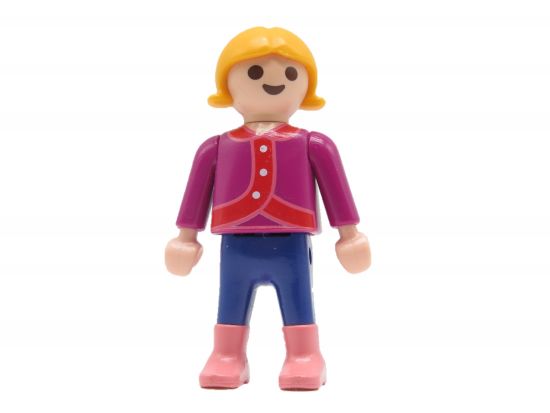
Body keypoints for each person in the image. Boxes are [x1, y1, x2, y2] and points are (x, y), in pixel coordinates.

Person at [165, 26, 371, 390]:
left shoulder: (314, 144)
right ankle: (228, 355)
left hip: (291, 242)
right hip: (236, 243)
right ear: (227, 85)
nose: (273, 82)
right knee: (230, 298)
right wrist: (185, 238)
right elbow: (195, 192)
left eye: (291, 73)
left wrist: (349, 235)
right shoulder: (215, 147)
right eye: (254, 72)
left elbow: (336, 190)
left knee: (298, 298)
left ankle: (304, 355)